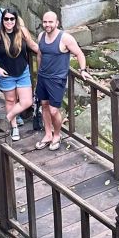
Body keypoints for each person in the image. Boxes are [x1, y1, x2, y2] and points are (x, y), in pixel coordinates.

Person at [34, 11, 90, 151]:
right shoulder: (41, 36)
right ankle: (48, 134)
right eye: (45, 22)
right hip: (42, 77)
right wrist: (38, 74)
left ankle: (57, 135)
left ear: (57, 23)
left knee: (54, 110)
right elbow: (40, 55)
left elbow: (79, 53)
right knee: (44, 105)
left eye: (50, 22)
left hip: (57, 80)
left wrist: (83, 70)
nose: (47, 24)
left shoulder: (65, 38)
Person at [0, 7, 39, 142]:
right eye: (6, 19)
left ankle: (6, 119)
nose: (9, 21)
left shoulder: (22, 32)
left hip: (22, 71)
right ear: (2, 20)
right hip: (5, 73)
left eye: (12, 19)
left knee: (27, 101)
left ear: (16, 20)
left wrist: (49, 51)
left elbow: (32, 45)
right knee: (10, 100)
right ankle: (14, 127)